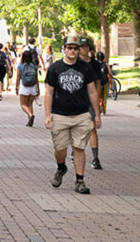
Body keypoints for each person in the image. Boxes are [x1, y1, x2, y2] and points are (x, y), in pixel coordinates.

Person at [44, 34, 101, 194]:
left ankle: (80, 180)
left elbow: (92, 91)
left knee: (79, 147)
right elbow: (48, 92)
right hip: (60, 114)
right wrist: (47, 115)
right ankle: (61, 167)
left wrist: (96, 114)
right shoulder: (55, 68)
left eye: (75, 48)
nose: (72, 51)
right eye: (69, 47)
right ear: (64, 49)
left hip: (81, 114)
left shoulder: (85, 68)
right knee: (60, 149)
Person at [78, 38, 104, 169]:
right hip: (77, 100)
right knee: (77, 128)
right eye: (81, 47)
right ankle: (75, 151)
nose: (84, 49)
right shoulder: (75, 63)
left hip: (90, 99)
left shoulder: (95, 64)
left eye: (86, 46)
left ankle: (95, 158)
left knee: (92, 128)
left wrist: (97, 98)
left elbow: (98, 82)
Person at [15, 49, 41, 126]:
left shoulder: (20, 66)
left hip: (24, 87)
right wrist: (38, 89)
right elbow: (37, 78)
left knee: (23, 104)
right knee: (30, 104)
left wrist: (16, 88)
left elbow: (18, 78)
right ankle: (30, 120)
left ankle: (30, 115)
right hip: (33, 87)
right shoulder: (34, 66)